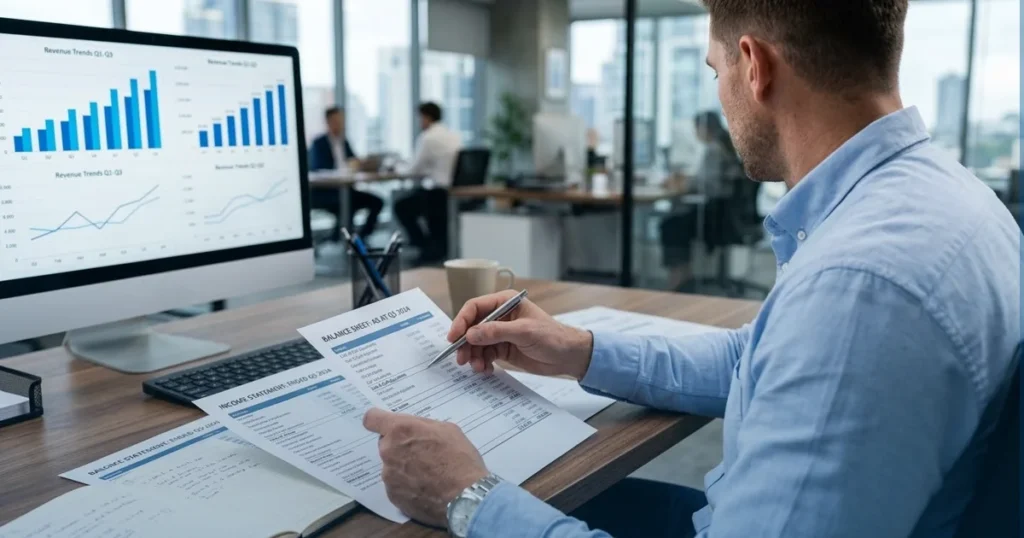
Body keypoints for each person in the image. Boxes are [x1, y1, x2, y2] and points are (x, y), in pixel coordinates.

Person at [359, 1, 1022, 537]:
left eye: (713, 72)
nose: (720, 93)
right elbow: (757, 364)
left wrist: (468, 499)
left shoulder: (860, 290)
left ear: (752, 65)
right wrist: (577, 351)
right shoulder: (944, 199)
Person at [660, 111, 745, 291]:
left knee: (670, 224)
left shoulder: (714, 149)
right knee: (675, 220)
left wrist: (683, 183)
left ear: (705, 128)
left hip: (714, 219)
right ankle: (685, 276)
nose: (696, 133)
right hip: (727, 217)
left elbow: (708, 185)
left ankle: (680, 275)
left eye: (696, 128)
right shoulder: (725, 146)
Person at [394, 102, 463, 264]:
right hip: (452, 192)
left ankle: (425, 247)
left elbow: (413, 170)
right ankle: (433, 246)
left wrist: (396, 168)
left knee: (401, 206)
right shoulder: (453, 135)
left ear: (426, 117)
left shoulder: (428, 137)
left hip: (436, 193)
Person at [308, 106, 384, 240]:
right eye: (337, 120)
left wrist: (362, 163)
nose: (340, 124)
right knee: (348, 204)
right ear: (328, 121)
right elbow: (318, 168)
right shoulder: (318, 143)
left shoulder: (344, 141)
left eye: (341, 120)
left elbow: (353, 161)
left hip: (346, 189)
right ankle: (343, 239)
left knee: (377, 202)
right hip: (324, 192)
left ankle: (360, 238)